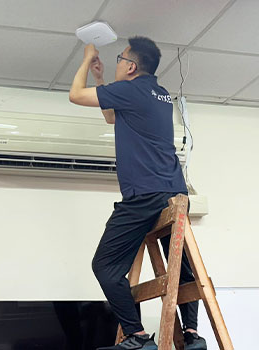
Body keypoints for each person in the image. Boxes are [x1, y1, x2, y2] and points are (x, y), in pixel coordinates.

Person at [69, 36, 207, 350]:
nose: (117, 62)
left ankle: (137, 336)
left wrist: (87, 57)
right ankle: (192, 335)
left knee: (105, 267)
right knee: (181, 267)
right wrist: (100, 78)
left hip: (145, 195)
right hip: (174, 191)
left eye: (120, 58)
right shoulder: (160, 94)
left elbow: (75, 95)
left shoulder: (131, 91)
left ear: (131, 67)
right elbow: (111, 116)